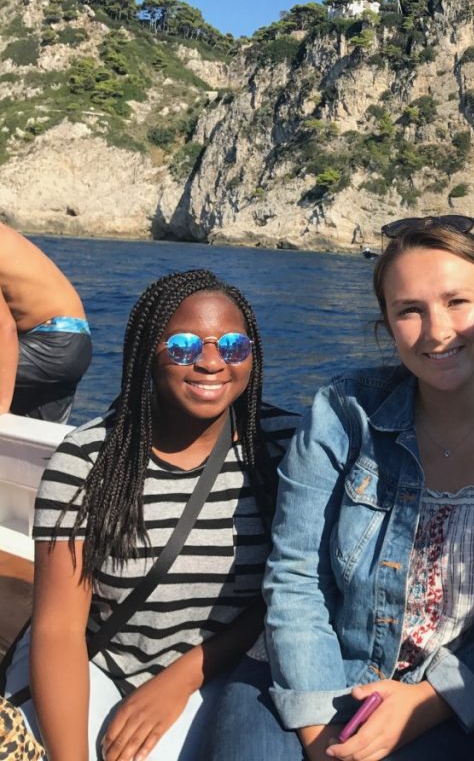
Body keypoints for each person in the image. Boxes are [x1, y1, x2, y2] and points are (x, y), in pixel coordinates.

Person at [208, 218, 474, 760]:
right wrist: (321, 734)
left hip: (450, 696)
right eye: (410, 310)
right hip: (307, 672)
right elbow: (297, 576)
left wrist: (428, 701)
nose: (437, 330)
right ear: (387, 324)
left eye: (457, 302)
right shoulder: (344, 414)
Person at [1, 269, 296, 761]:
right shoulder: (89, 461)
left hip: (224, 671)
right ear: (147, 354)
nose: (211, 362)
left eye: (232, 346)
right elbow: (59, 631)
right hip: (100, 660)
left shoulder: (284, 449)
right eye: (183, 347)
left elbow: (294, 593)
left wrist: (183, 677)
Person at [0, 223, 92, 423]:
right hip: (76, 342)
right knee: (40, 438)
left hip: (52, 344)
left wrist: (2, 408)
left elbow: (4, 328)